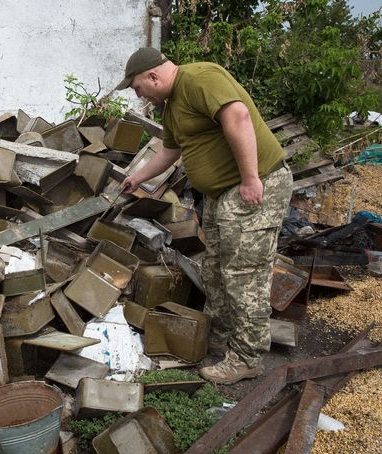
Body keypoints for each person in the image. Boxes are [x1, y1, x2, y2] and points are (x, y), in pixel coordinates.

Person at [117, 47, 293, 385]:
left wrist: (250, 178)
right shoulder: (170, 107)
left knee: (244, 274)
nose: (140, 96)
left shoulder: (200, 78)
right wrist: (138, 178)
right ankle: (218, 335)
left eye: (139, 88)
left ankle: (246, 357)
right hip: (221, 194)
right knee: (215, 267)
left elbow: (238, 117)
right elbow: (171, 150)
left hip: (255, 184)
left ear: (153, 76)